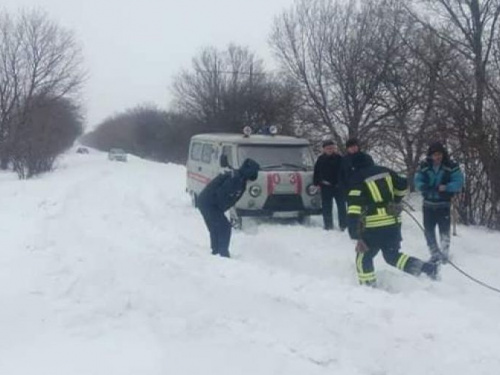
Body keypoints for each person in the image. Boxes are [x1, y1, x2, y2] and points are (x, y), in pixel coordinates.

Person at [346, 152, 438, 286]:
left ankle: (367, 287)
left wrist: (355, 235)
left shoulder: (357, 178)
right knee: (392, 256)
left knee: (363, 257)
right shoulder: (385, 171)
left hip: (374, 226)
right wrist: (394, 200)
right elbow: (402, 186)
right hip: (393, 223)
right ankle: (427, 269)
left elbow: (354, 208)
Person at [197, 158, 260, 258]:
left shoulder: (241, 179)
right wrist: (219, 209)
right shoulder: (235, 178)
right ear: (249, 171)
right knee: (224, 227)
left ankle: (216, 252)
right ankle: (222, 254)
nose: (255, 175)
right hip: (208, 203)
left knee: (216, 228)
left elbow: (231, 198)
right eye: (254, 172)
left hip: (208, 203)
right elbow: (221, 194)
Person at [414, 142, 464, 264]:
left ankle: (445, 254)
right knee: (429, 230)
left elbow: (459, 182)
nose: (438, 157)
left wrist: (446, 187)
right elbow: (417, 180)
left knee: (444, 230)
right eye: (435, 154)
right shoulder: (424, 166)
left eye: (440, 154)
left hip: (444, 204)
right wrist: (423, 186)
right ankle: (434, 253)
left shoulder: (451, 166)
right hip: (428, 204)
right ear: (430, 155)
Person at [313, 140, 346, 230]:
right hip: (325, 186)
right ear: (324, 149)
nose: (330, 150)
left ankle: (343, 225)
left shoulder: (340, 158)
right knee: (326, 207)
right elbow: (316, 172)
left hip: (338, 186)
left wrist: (342, 183)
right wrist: (317, 183)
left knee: (341, 206)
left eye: (332, 148)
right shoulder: (320, 159)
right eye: (328, 148)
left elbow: (344, 172)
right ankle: (328, 225)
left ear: (334, 148)